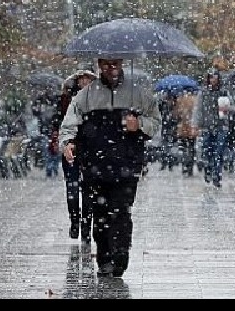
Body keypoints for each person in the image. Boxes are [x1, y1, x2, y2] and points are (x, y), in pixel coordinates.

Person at [59, 58, 160, 278]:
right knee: (100, 213)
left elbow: (155, 122)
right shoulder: (86, 95)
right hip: (95, 165)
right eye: (105, 64)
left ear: (122, 63)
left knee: (121, 211)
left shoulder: (138, 94)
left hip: (127, 164)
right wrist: (68, 143)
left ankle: (120, 255)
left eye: (114, 64)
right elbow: (69, 123)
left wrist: (139, 125)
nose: (110, 69)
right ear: (98, 65)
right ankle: (104, 258)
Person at [52, 69, 97, 243]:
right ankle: (74, 221)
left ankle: (86, 224)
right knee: (72, 188)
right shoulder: (66, 100)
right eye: (82, 78)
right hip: (70, 146)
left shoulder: (98, 100)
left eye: (88, 78)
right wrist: (63, 140)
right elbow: (59, 121)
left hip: (91, 149)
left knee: (88, 190)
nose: (85, 82)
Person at [191, 69, 233, 188]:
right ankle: (208, 170)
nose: (213, 80)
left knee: (218, 152)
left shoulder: (224, 92)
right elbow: (198, 109)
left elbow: (232, 107)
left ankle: (217, 175)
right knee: (207, 151)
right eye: (211, 77)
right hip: (207, 127)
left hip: (221, 126)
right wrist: (195, 124)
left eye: (215, 77)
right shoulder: (203, 93)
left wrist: (226, 107)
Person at [31, 86, 61, 178]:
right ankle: (49, 169)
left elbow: (60, 113)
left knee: (54, 151)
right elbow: (35, 111)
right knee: (47, 150)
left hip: (54, 130)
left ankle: (53, 168)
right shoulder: (40, 100)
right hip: (45, 130)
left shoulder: (56, 99)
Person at [174, 89, 199, 176]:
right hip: (192, 127)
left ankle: (185, 166)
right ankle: (190, 168)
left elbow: (176, 114)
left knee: (184, 148)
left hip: (183, 128)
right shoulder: (196, 99)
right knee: (191, 148)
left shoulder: (180, 99)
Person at [158, 93, 179, 171]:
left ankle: (170, 164)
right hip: (165, 128)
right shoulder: (163, 105)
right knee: (165, 147)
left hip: (171, 129)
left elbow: (177, 118)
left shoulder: (175, 107)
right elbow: (159, 113)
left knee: (170, 148)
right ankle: (164, 163)